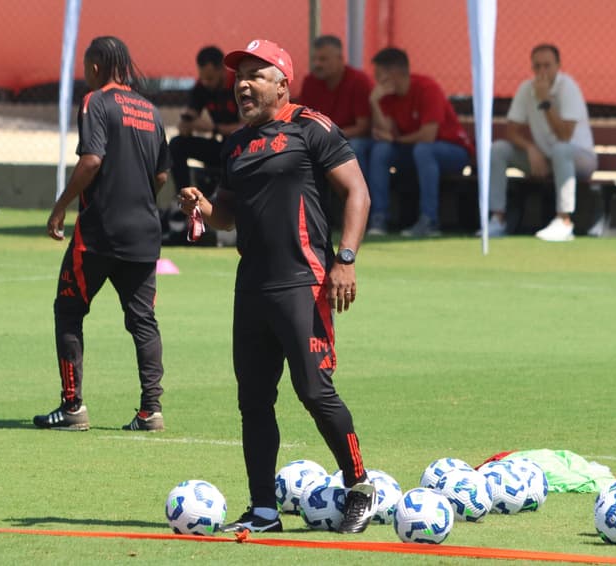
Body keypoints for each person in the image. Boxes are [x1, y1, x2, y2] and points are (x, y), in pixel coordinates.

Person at [177, 39, 377, 535]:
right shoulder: (237, 144)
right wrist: (201, 205)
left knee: (313, 390)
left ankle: (360, 487)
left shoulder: (313, 126)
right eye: (238, 76)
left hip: (303, 283)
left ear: (282, 83)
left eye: (255, 74)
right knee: (253, 401)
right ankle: (264, 509)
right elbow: (227, 216)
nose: (242, 84)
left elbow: (357, 191)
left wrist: (346, 260)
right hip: (252, 289)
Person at [33, 36, 170, 432]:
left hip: (99, 232)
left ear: (94, 67)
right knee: (143, 320)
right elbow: (161, 173)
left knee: (69, 309)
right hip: (144, 232)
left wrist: (60, 207)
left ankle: (73, 406)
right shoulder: (150, 110)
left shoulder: (96, 102)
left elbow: (91, 160)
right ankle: (150, 410)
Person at [483, 43, 596, 241]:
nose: (542, 71)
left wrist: (545, 101)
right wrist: (530, 148)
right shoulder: (526, 89)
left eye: (547, 65)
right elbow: (511, 131)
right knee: (498, 150)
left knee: (561, 150)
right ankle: (497, 220)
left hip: (580, 159)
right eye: (537, 66)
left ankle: (564, 221)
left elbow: (564, 136)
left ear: (558, 66)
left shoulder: (569, 88)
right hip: (545, 159)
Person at [366, 47, 473, 237]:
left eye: (379, 75)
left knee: (424, 150)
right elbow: (385, 132)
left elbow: (428, 136)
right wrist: (374, 102)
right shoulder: (388, 96)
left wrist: (396, 139)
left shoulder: (427, 88)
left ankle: (429, 221)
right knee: (381, 151)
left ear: (395, 73)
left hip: (453, 151)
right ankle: (379, 218)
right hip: (414, 150)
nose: (376, 81)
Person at [169, 46, 242, 193]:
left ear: (222, 69)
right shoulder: (202, 87)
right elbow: (190, 114)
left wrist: (213, 128)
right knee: (177, 144)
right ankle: (184, 200)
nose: (206, 83)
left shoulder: (239, 84)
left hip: (242, 148)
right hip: (221, 148)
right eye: (202, 78)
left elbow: (248, 127)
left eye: (209, 78)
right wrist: (186, 123)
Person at [299, 35, 373, 176]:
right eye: (314, 59)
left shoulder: (359, 81)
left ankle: (359, 195)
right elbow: (304, 121)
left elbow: (363, 127)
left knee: (355, 147)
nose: (317, 64)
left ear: (340, 59)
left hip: (350, 139)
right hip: (321, 138)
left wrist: (328, 137)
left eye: (323, 59)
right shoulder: (310, 81)